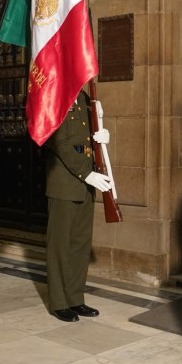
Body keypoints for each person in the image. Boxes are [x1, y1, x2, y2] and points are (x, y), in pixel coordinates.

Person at [43, 90, 112, 322]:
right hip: (64, 183)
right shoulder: (53, 97)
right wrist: (86, 173)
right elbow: (59, 143)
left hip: (86, 182)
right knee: (60, 245)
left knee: (80, 244)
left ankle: (75, 298)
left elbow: (87, 137)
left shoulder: (84, 98)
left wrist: (101, 134)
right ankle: (59, 302)